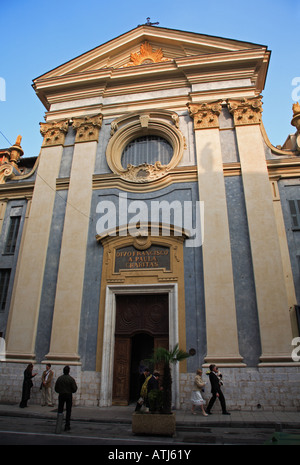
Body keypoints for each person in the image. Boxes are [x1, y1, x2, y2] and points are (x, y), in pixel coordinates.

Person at [55, 365, 78, 431]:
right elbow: (74, 389)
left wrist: (60, 391)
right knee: (68, 411)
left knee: (60, 410)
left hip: (61, 395)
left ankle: (58, 425)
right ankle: (67, 425)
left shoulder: (59, 378)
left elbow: (56, 388)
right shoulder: (71, 379)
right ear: (68, 371)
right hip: (68, 396)